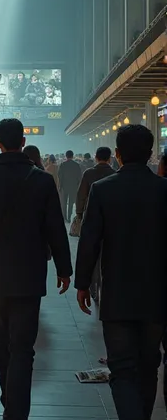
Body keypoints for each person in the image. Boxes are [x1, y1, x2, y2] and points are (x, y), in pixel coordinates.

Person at [0, 119, 72, 420]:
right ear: (23, 142)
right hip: (30, 276)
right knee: (24, 347)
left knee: (3, 343)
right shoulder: (41, 181)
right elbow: (55, 229)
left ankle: (7, 399)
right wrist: (65, 268)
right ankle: (17, 411)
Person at [75, 125, 167, 420]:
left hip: (117, 295)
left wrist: (83, 284)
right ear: (150, 153)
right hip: (157, 295)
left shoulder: (102, 190)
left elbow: (89, 242)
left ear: (117, 155)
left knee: (122, 368)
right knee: (149, 365)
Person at [75, 146, 115, 304]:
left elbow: (81, 195)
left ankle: (93, 287)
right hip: (111, 221)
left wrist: (79, 213)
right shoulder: (114, 174)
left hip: (91, 218)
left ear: (96, 158)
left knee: (92, 253)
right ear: (111, 157)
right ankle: (104, 286)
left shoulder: (89, 173)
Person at [58, 150, 82, 222]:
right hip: (73, 186)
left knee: (64, 203)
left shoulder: (62, 165)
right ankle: (69, 217)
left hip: (64, 186)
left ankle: (64, 217)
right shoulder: (76, 165)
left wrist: (60, 185)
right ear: (72, 156)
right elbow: (79, 176)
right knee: (71, 203)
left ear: (66, 156)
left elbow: (60, 176)